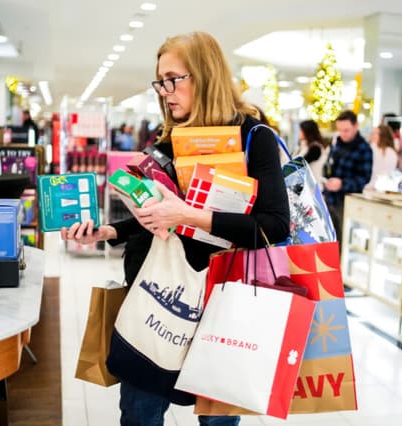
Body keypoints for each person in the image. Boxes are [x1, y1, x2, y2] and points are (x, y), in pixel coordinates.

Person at [61, 31, 290, 426]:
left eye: (173, 79)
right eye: (160, 82)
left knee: (217, 420)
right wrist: (110, 232)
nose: (165, 92)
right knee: (140, 414)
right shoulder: (167, 139)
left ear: (204, 75)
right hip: (155, 300)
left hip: (223, 307)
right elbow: (155, 215)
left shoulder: (255, 137)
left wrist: (188, 216)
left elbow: (274, 227)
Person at [324, 110, 372, 243]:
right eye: (340, 130)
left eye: (346, 130)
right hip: (330, 200)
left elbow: (364, 178)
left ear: (356, 126)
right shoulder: (336, 144)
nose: (343, 134)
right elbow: (328, 168)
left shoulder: (364, 148)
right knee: (328, 241)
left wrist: (342, 184)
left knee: (344, 242)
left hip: (348, 203)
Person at [297, 120, 329, 189]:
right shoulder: (304, 146)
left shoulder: (315, 148)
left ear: (307, 131)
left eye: (301, 130)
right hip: (306, 187)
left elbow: (300, 164)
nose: (299, 133)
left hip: (312, 188)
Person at [367, 124, 399, 189]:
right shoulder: (391, 152)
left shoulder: (374, 149)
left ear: (383, 136)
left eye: (375, 133)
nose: (372, 135)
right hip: (381, 187)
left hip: (373, 186)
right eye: (372, 133)